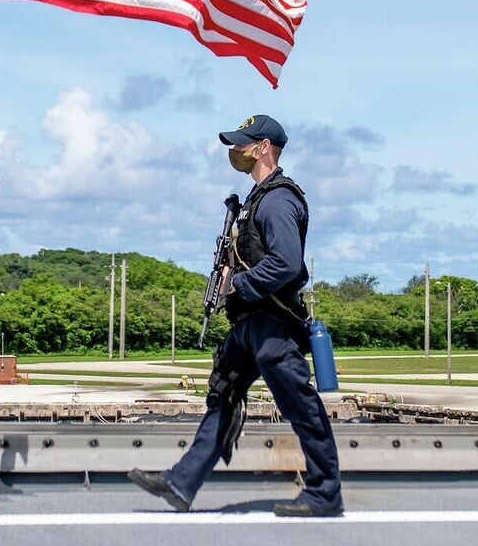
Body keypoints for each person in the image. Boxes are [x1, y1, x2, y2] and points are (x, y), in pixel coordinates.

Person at [129, 114, 343, 517]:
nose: (236, 150)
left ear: (264, 148)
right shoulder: (254, 200)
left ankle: (325, 494)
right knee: (223, 395)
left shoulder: (279, 199)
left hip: (273, 324)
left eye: (244, 143)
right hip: (247, 325)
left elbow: (287, 263)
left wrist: (236, 285)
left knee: (300, 405)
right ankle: (182, 482)